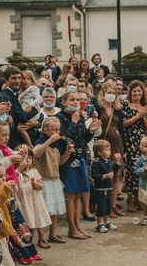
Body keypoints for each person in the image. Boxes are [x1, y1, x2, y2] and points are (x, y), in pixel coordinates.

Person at [57, 90, 101, 239]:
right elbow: (65, 139)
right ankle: (72, 229)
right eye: (72, 100)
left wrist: (90, 131)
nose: (76, 102)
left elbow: (82, 139)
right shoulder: (60, 117)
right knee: (70, 194)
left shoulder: (80, 116)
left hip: (80, 157)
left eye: (77, 100)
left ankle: (77, 227)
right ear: (64, 103)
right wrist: (74, 121)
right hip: (68, 160)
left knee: (77, 194)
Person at [33, 117, 73, 243]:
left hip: (55, 180)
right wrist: (48, 141)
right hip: (43, 180)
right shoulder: (41, 142)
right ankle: (40, 237)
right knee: (42, 209)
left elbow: (60, 162)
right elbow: (35, 153)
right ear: (45, 130)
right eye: (53, 130)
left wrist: (67, 153)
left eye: (58, 130)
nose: (57, 133)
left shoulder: (55, 147)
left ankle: (53, 234)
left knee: (54, 208)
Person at [94, 82, 125, 216]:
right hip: (103, 143)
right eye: (109, 92)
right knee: (105, 174)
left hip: (117, 143)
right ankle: (104, 207)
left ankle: (113, 205)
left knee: (116, 174)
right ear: (103, 93)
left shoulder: (118, 109)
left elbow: (122, 128)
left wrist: (126, 150)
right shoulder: (97, 107)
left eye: (113, 93)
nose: (111, 95)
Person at [122, 81, 147, 212]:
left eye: (139, 91)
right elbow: (124, 123)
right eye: (134, 91)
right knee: (131, 170)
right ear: (130, 92)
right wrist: (138, 115)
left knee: (142, 170)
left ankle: (138, 198)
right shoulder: (125, 105)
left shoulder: (146, 106)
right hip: (129, 140)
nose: (137, 93)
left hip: (142, 142)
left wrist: (143, 116)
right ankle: (129, 199)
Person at [15, 149, 52, 249]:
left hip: (35, 200)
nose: (27, 161)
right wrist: (18, 170)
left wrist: (36, 185)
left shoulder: (34, 171)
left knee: (38, 219)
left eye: (29, 158)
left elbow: (41, 186)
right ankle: (30, 245)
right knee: (28, 223)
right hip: (24, 202)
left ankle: (41, 238)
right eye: (24, 159)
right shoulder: (16, 173)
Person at [0, 67, 38, 149]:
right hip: (15, 142)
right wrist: (36, 108)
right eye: (14, 78)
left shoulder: (19, 93)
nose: (17, 81)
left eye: (19, 78)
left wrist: (37, 122)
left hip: (28, 138)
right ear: (6, 80)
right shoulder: (5, 96)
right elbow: (22, 117)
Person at [91, 139, 120, 233]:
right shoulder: (96, 162)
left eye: (109, 149)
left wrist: (117, 162)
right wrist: (104, 176)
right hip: (100, 189)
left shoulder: (109, 161)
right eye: (107, 150)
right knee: (101, 206)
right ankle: (100, 224)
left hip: (109, 188)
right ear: (99, 152)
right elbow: (94, 175)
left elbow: (114, 170)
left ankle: (107, 221)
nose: (109, 151)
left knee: (107, 206)